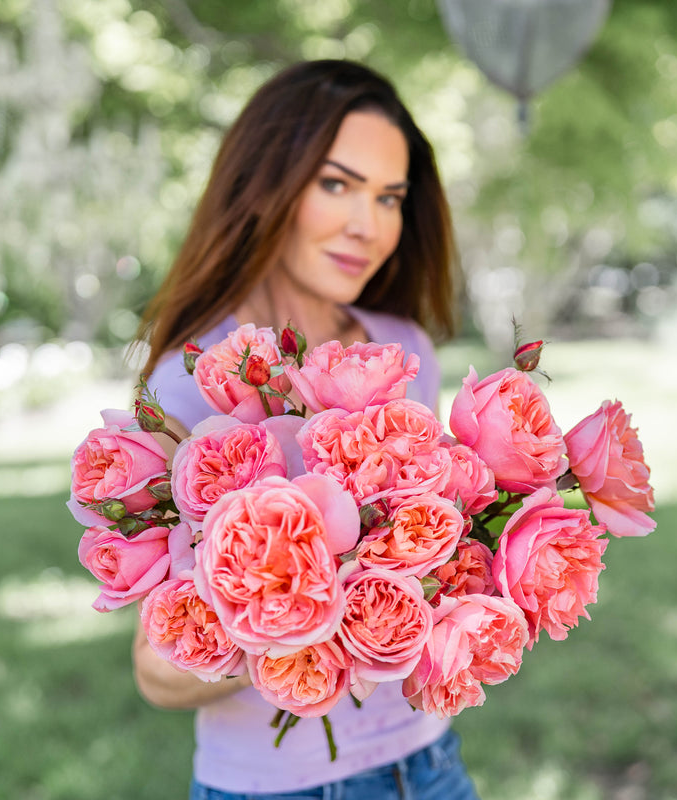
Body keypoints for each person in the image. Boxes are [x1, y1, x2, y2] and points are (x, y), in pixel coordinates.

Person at [132, 59, 479, 800]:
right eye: (336, 184)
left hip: (430, 764)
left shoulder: (402, 351)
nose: (368, 226)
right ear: (267, 185)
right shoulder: (189, 381)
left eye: (389, 197)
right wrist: (299, 603)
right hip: (276, 787)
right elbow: (158, 672)